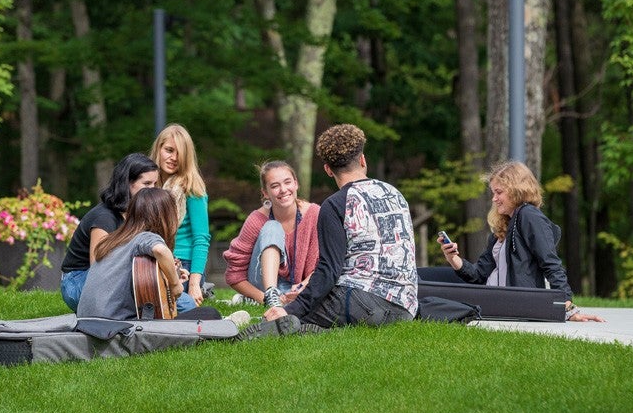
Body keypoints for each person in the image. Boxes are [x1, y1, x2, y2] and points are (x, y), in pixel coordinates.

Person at [249, 124, 419, 337]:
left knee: (284, 319)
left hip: (363, 304)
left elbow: (329, 269)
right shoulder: (394, 193)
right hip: (406, 307)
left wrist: (289, 309)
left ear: (328, 170)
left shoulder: (335, 204)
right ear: (363, 160)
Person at [437, 160, 604, 322]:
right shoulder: (502, 227)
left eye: (499, 192)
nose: (494, 199)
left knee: (432, 292)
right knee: (426, 277)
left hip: (511, 305)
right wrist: (452, 258)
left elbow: (551, 263)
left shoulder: (529, 216)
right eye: (493, 193)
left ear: (516, 190)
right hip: (488, 299)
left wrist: (567, 307)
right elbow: (478, 276)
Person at [76, 188, 220, 321]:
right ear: (164, 216)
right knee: (210, 313)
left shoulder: (117, 237)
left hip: (86, 319)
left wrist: (170, 276)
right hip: (112, 325)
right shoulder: (145, 237)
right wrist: (175, 284)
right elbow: (160, 250)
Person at [60, 153, 159, 311]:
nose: (152, 190)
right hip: (79, 281)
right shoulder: (104, 217)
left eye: (155, 184)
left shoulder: (138, 214)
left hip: (111, 278)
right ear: (127, 183)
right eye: (146, 184)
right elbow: (100, 270)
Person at [222, 161, 320, 308]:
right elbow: (234, 275)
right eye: (275, 186)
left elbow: (325, 263)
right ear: (265, 193)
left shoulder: (315, 214)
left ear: (296, 184)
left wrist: (303, 287)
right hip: (261, 285)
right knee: (273, 227)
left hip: (297, 288)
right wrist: (263, 298)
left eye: (287, 182)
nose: (283, 190)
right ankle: (271, 295)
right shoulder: (256, 219)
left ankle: (258, 300)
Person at [150, 124, 211, 306]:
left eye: (180, 154)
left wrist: (194, 283)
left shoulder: (192, 188)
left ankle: (201, 286)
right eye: (169, 150)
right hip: (152, 257)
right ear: (158, 149)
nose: (174, 158)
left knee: (169, 303)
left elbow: (201, 238)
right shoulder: (147, 185)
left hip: (183, 263)